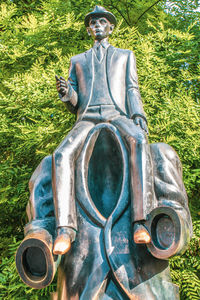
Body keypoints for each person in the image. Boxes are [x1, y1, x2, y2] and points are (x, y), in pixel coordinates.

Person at [52, 6, 154, 255]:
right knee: (61, 155)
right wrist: (67, 94)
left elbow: (132, 89)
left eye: (102, 22)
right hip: (86, 118)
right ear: (89, 30)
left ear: (110, 27)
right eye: (93, 23)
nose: (97, 25)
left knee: (140, 141)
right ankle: (65, 229)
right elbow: (74, 102)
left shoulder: (125, 56)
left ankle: (141, 222)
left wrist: (138, 114)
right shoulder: (77, 61)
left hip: (115, 114)